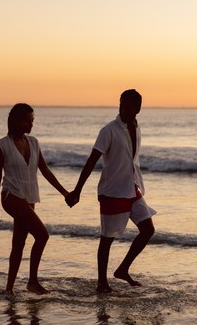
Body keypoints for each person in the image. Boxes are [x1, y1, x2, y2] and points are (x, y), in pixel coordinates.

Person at [66, 89, 156, 293]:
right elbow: (92, 161)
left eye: (128, 107)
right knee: (107, 238)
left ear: (138, 109)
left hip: (133, 187)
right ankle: (101, 283)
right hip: (112, 191)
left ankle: (123, 269)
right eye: (120, 105)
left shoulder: (136, 126)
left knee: (148, 230)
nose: (122, 110)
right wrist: (77, 190)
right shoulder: (108, 131)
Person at [0, 103, 69, 295]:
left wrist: (65, 193)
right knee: (42, 235)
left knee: (19, 243)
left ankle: (9, 289)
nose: (31, 125)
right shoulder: (2, 145)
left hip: (29, 196)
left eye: (32, 121)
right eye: (28, 121)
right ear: (16, 121)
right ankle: (32, 282)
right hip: (11, 195)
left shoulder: (34, 142)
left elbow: (45, 171)